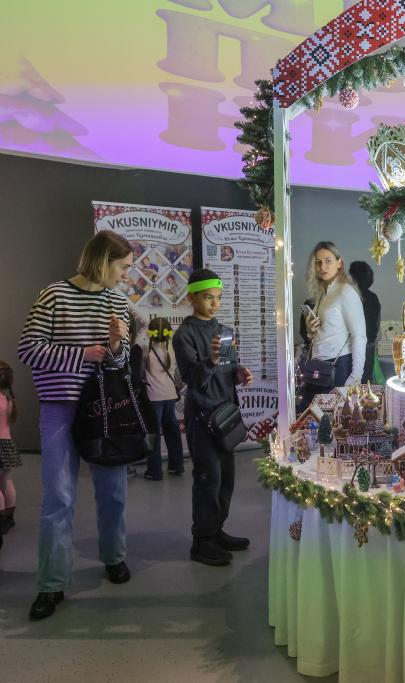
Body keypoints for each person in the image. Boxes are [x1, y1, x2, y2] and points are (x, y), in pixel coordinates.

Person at [18, 229, 134, 620]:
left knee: (113, 492)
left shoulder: (117, 301)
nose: (126, 275)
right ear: (103, 261)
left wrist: (116, 346)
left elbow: (121, 363)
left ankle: (114, 557)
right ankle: (51, 583)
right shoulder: (53, 294)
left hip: (105, 410)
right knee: (58, 497)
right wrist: (82, 354)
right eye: (123, 267)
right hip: (60, 409)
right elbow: (28, 349)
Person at [173, 269, 253, 566]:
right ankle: (202, 541)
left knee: (226, 479)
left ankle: (216, 530)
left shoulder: (223, 329)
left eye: (218, 298)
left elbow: (229, 367)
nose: (215, 304)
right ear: (191, 298)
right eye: (208, 298)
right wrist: (212, 360)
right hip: (202, 417)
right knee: (209, 478)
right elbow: (193, 379)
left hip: (226, 415)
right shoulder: (184, 335)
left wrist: (239, 373)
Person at [296, 242, 366, 411]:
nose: (322, 267)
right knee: (309, 416)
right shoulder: (324, 293)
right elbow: (324, 333)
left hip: (338, 365)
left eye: (328, 261)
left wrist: (356, 377)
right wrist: (311, 330)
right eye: (318, 262)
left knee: (329, 420)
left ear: (339, 263)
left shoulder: (346, 292)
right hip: (318, 366)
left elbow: (359, 335)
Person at [143, 317, 185, 480]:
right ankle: (176, 466)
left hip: (153, 397)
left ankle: (154, 471)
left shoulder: (145, 351)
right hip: (170, 395)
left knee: (154, 434)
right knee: (172, 431)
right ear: (168, 333)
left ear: (150, 333)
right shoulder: (172, 350)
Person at [0, 361, 22, 543]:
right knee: (6, 481)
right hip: (7, 444)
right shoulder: (9, 398)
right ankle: (9, 517)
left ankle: (0, 520)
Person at [349, 260, 381, 384]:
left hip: (353, 347)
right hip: (369, 345)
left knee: (351, 385)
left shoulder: (350, 296)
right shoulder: (373, 297)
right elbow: (376, 324)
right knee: (365, 383)